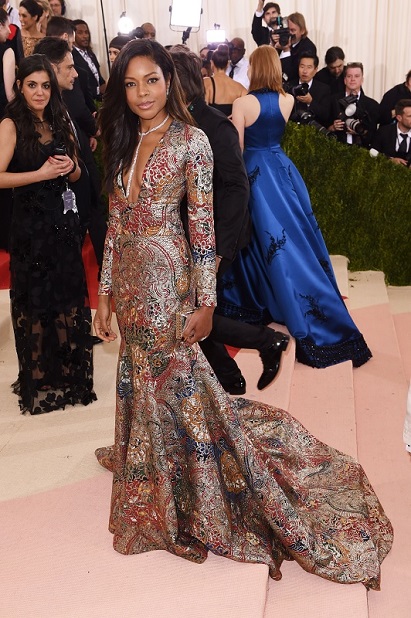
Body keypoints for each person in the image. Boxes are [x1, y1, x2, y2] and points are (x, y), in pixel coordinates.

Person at [92, 39, 392, 588]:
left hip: (172, 283)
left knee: (183, 390)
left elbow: (203, 233)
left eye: (151, 81)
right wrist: (105, 294)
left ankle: (195, 498)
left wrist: (206, 301)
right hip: (132, 288)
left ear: (171, 81)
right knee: (143, 383)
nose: (141, 93)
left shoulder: (192, 143)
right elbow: (115, 224)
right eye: (130, 83)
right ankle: (152, 474)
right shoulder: (119, 139)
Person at [217, 46, 372, 369]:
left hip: (256, 175)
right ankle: (281, 301)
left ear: (254, 69)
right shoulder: (288, 100)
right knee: (286, 240)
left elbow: (239, 148)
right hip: (283, 171)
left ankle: (264, 302)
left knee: (265, 242)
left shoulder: (243, 103)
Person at [171, 45, 289, 393]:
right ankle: (232, 376)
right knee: (187, 310)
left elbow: (238, 190)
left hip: (214, 239)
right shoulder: (173, 124)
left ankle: (262, 344)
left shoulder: (214, 126)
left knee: (189, 311)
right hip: (182, 236)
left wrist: (220, 251)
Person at [0, 54, 97, 414]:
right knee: (37, 297)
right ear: (19, 86)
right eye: (31, 85)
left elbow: (77, 173)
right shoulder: (11, 124)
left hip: (63, 223)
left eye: (44, 85)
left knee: (66, 293)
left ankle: (67, 370)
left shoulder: (60, 118)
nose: (39, 92)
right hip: (30, 225)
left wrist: (71, 168)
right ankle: (40, 373)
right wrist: (39, 175)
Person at [329, 62, 380, 148]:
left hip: (362, 152)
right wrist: (333, 127)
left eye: (356, 76)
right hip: (336, 150)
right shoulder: (333, 100)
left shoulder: (372, 105)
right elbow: (323, 126)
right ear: (345, 80)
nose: (353, 79)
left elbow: (374, 135)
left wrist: (361, 131)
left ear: (362, 80)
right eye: (349, 76)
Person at [288, 51, 331, 127]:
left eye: (309, 67)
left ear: (315, 70)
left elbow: (326, 115)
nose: (304, 71)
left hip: (314, 132)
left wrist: (311, 102)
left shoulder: (324, 89)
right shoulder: (289, 86)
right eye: (302, 67)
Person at [204, 44, 247, 117]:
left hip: (212, 127)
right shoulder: (240, 88)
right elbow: (247, 111)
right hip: (232, 127)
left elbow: (203, 110)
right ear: (227, 64)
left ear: (212, 63)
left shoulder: (206, 83)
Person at [71, 18, 106, 101]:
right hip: (85, 100)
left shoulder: (91, 54)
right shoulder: (71, 56)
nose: (85, 36)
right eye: (80, 33)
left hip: (98, 98)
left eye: (86, 32)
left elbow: (98, 78)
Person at [279, 12, 317, 83]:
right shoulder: (285, 42)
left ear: (302, 31)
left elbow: (292, 74)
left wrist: (286, 50)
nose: (290, 33)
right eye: (288, 30)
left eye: (293, 30)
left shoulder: (308, 47)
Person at [372, 99, 411, 165]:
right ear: (399, 118)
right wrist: (390, 160)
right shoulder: (383, 132)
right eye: (410, 116)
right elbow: (373, 153)